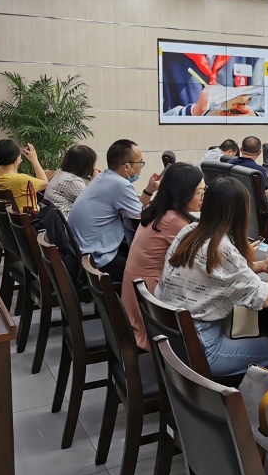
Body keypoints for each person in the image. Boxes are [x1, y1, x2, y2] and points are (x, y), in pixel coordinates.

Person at [155, 176, 268, 383]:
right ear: (240, 212)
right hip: (204, 348)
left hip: (176, 339)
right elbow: (265, 298)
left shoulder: (189, 231)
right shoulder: (221, 248)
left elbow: (213, 273)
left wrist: (258, 266)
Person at [122, 163, 203, 351]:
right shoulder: (174, 221)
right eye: (200, 192)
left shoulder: (158, 211)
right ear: (184, 193)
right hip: (150, 296)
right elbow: (202, 259)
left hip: (137, 288)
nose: (203, 197)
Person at [68, 139, 160, 284]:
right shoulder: (120, 185)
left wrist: (149, 190)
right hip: (98, 261)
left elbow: (136, 209)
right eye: (140, 163)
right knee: (152, 271)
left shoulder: (104, 178)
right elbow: (142, 217)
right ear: (127, 166)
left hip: (83, 256)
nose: (141, 167)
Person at [0, 139, 50, 212]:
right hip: (29, 217)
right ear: (17, 159)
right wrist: (34, 160)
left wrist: (16, 152)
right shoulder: (21, 180)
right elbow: (45, 183)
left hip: (9, 217)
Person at [43, 145, 99, 218]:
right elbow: (94, 204)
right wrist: (96, 178)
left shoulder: (60, 174)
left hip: (52, 220)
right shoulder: (72, 181)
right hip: (64, 223)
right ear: (85, 164)